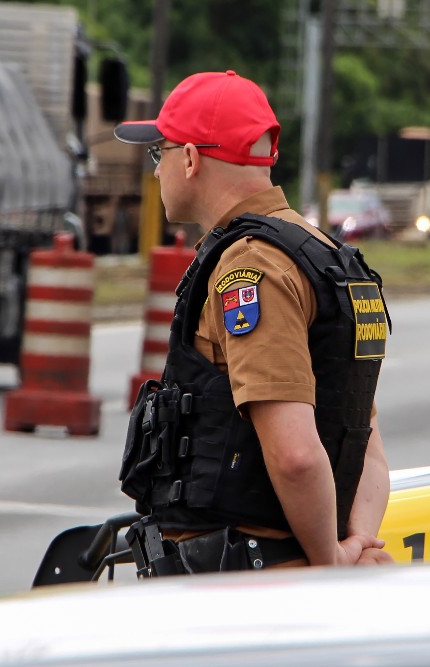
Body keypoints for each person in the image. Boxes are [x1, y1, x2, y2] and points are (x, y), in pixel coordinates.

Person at [115, 70, 393, 575]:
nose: (157, 171)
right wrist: (356, 545)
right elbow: (364, 440)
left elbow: (296, 455)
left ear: (192, 159)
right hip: (296, 567)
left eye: (161, 154)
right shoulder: (330, 257)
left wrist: (330, 561)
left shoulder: (252, 267)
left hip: (249, 584)